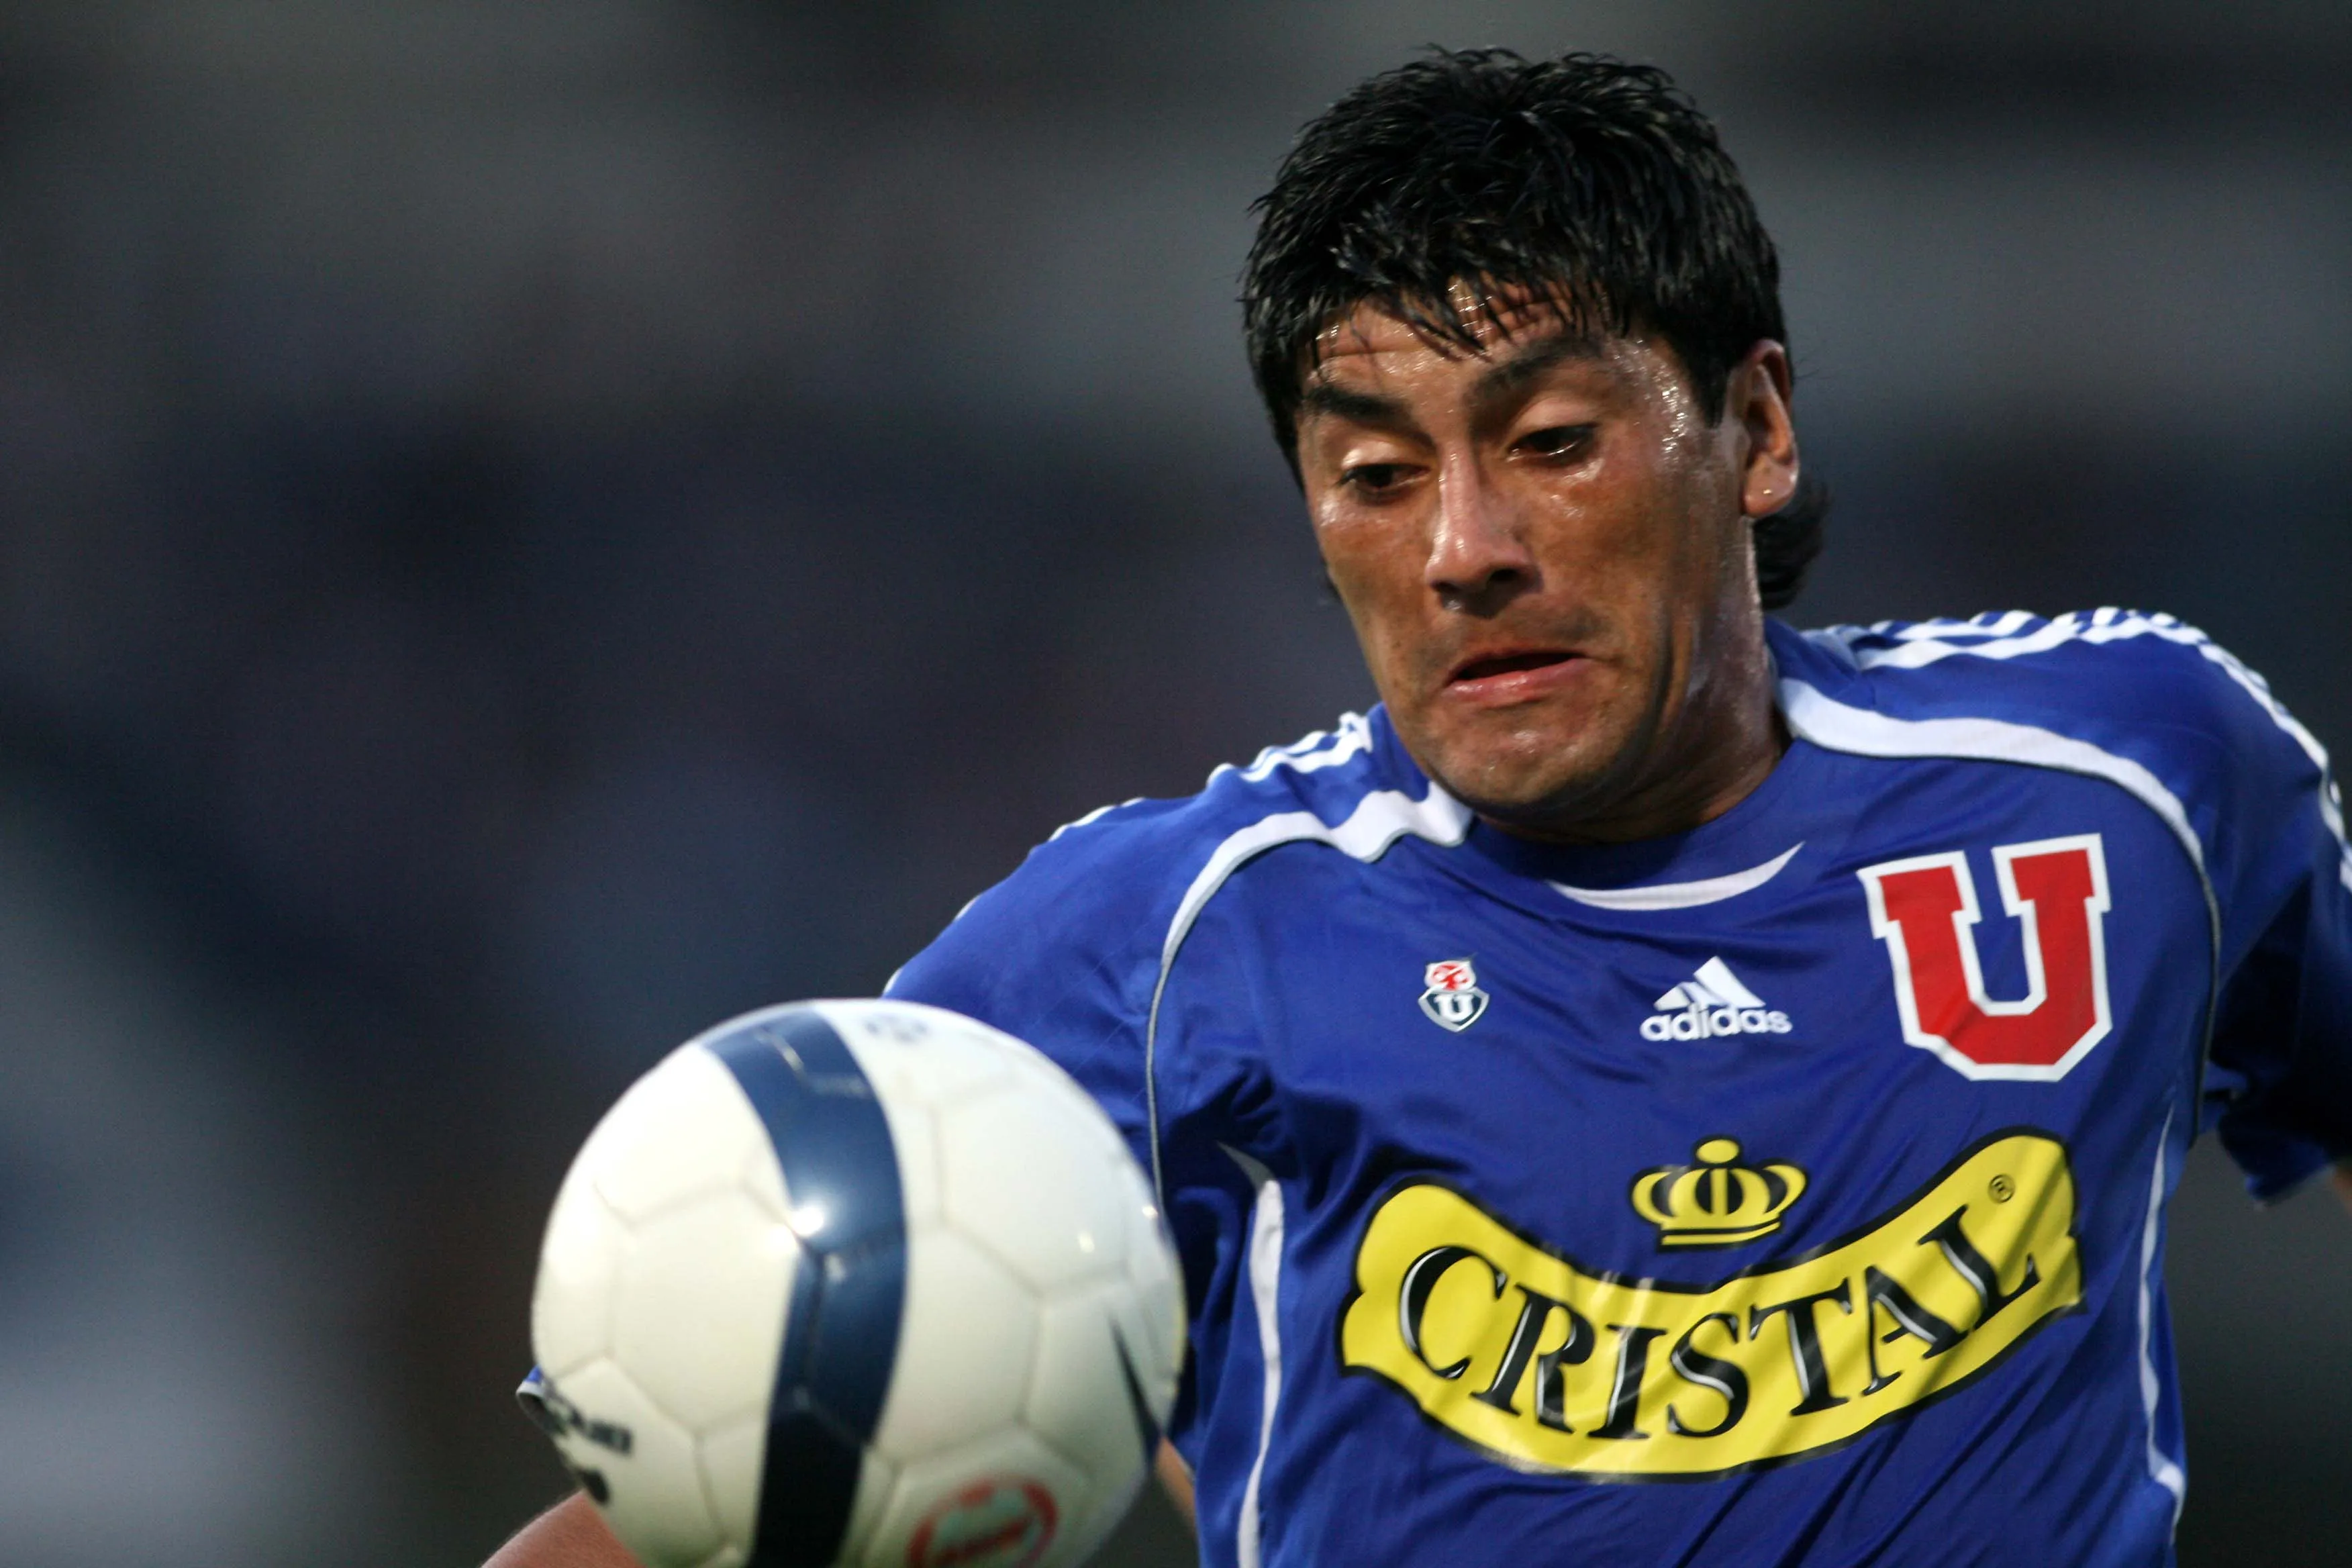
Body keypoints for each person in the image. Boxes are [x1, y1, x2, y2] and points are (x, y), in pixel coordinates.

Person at [489, 48, 2352, 1568]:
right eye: (1373, 476)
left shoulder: (2133, 779)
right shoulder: (1163, 946)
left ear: (1757, 432)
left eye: (1550, 446)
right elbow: (715, 1469)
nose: (1463, 551)